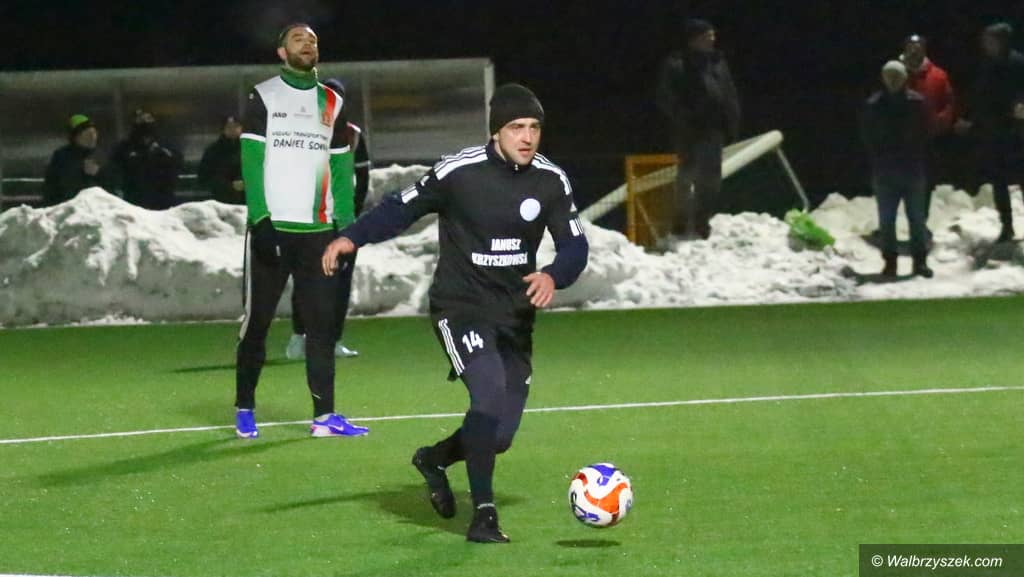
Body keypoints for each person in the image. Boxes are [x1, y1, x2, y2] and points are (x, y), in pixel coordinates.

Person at [321, 83, 589, 543]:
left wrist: (553, 275)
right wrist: (351, 237)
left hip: (515, 317)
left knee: (499, 436)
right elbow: (400, 209)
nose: (527, 137)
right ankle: (484, 515)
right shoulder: (459, 172)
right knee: (487, 396)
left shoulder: (550, 180)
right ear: (496, 131)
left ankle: (434, 459)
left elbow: (575, 246)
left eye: (534, 127)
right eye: (516, 127)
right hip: (461, 307)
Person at [234, 23, 367, 439]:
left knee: (321, 327)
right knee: (257, 323)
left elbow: (342, 168)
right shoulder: (263, 96)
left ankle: (324, 418)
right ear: (281, 52)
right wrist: (260, 220)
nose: (307, 44)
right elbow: (251, 162)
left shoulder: (333, 101)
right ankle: (244, 407)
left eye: (312, 39)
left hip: (319, 234)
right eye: (298, 39)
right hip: (273, 230)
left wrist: (346, 231)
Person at [286, 78, 372, 361]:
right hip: (311, 219)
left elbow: (362, 178)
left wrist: (352, 217)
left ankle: (334, 339)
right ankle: (298, 337)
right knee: (306, 278)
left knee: (341, 281)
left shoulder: (353, 135)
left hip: (343, 221)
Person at [655, 18, 741, 240]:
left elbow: (728, 94)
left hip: (714, 130)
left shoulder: (717, 63)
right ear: (693, 39)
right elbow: (666, 98)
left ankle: (702, 221)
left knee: (711, 179)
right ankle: (681, 221)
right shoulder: (677, 64)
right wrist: (683, 118)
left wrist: (732, 122)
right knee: (687, 176)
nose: (712, 39)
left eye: (712, 35)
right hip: (689, 131)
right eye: (706, 36)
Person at [861, 61, 933, 279]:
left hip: (912, 169)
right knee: (887, 220)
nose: (893, 80)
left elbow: (926, 132)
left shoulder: (917, 102)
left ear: (904, 78)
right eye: (889, 76)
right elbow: (867, 136)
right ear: (883, 78)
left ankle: (920, 261)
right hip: (886, 171)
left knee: (917, 219)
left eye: (897, 76)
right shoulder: (874, 104)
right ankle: (890, 262)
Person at [955, 22, 1024, 242]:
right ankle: (1007, 226)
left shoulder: (1018, 63)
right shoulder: (988, 65)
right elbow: (980, 96)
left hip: (1018, 131)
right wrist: (969, 119)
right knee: (998, 180)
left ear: (1001, 41)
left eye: (989, 40)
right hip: (995, 131)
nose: (985, 44)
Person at [901, 34, 956, 222]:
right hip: (900, 139)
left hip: (927, 138)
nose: (914, 51)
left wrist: (939, 123)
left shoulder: (938, 76)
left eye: (918, 48)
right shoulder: (895, 74)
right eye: (911, 47)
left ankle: (921, 220)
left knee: (926, 180)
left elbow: (948, 103)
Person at [107, 109, 183, 210]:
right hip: (134, 204)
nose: (144, 122)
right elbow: (115, 171)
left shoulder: (165, 146)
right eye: (140, 119)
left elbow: (177, 165)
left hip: (163, 203)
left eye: (148, 118)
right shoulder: (124, 148)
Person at [43, 114, 103, 206]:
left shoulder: (100, 156)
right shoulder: (63, 157)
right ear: (76, 137)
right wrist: (86, 176)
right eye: (87, 134)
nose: (92, 137)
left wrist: (98, 174)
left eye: (94, 133)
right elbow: (61, 188)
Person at [198, 115, 244, 204]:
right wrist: (230, 186)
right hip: (221, 200)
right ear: (223, 129)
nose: (233, 130)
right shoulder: (213, 151)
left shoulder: (248, 149)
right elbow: (204, 178)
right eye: (229, 127)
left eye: (236, 126)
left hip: (246, 200)